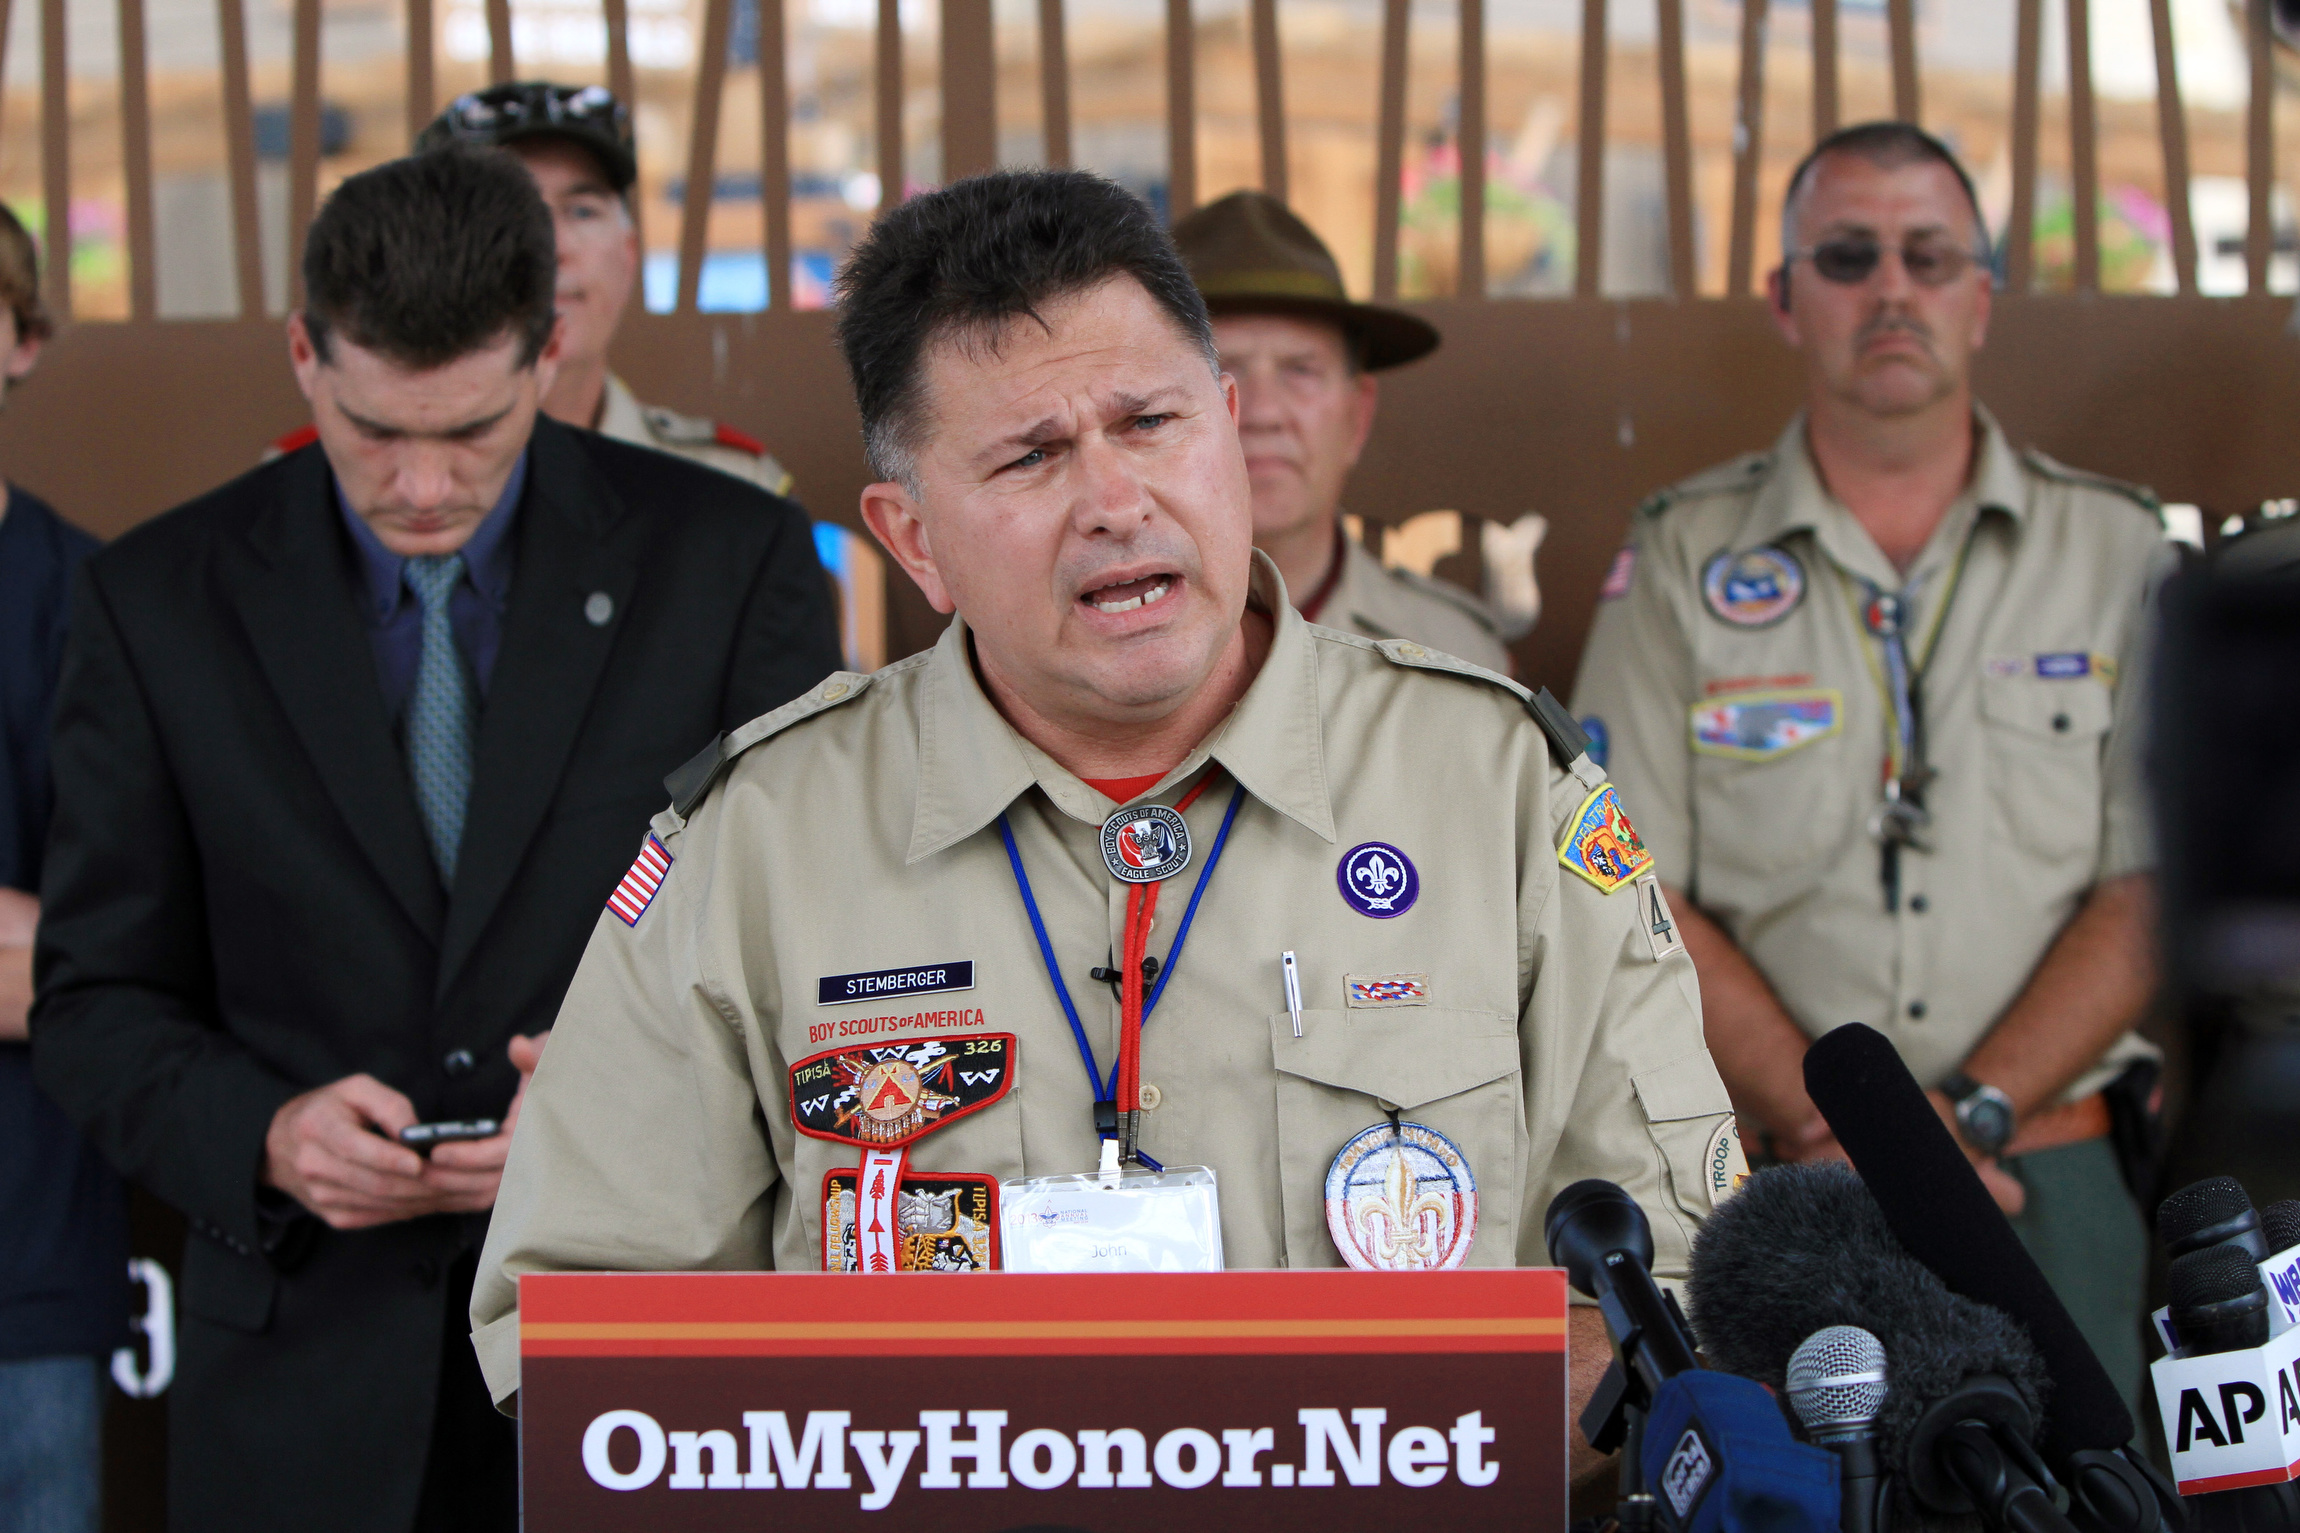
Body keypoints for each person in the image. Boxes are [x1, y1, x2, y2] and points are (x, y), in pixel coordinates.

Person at [473, 170, 1736, 1498]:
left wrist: (1298, 1458)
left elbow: (1685, 1288)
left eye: (1150, 423)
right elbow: (580, 1351)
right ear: (914, 540)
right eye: (1030, 456)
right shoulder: (762, 842)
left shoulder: (1498, 793)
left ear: (1228, 430)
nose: (1115, 499)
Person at [30, 148, 841, 1533]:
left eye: (470, 433)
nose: (417, 487)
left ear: (548, 350)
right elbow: (97, 1000)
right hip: (299, 1383)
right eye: (371, 432)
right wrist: (267, 1135)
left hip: (637, 1353)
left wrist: (615, 1118)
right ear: (303, 355)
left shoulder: (728, 560)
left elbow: (815, 954)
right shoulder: (157, 600)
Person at [1570, 122, 2169, 1406]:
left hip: (2047, 1168)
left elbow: (2150, 887)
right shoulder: (1681, 554)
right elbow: (1627, 877)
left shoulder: (2113, 552)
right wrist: (1832, 1124)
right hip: (1780, 1179)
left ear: (1981, 297)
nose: (1890, 289)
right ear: (1786, 300)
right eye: (1846, 257)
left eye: (1928, 254)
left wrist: (1963, 1127)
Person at [264, 82, 790, 493]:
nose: (550, 244)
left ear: (628, 256)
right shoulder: (311, 484)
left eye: (581, 210)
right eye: (507, 211)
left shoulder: (732, 485)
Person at [1168, 190, 1517, 672]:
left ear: (1358, 416)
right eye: (1222, 371)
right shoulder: (1094, 649)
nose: (1264, 411)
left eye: (1301, 370)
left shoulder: (1454, 654)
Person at [0, 201, 121, 1533]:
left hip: (28, 1260)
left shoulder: (101, 605)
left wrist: (70, 959)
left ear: (24, 338)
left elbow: (119, 966)